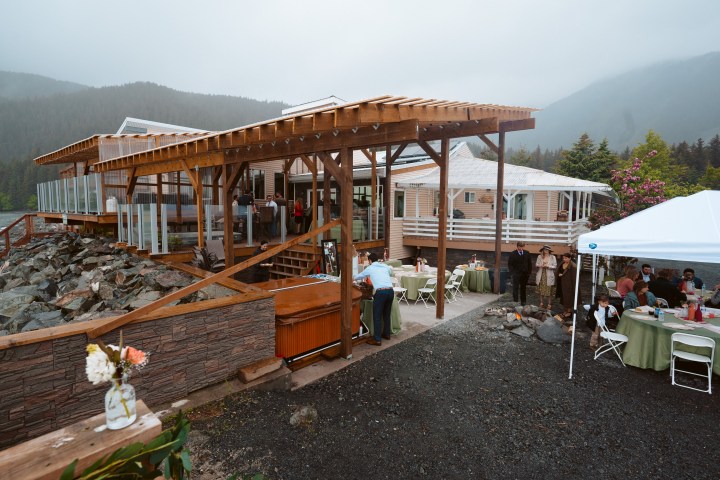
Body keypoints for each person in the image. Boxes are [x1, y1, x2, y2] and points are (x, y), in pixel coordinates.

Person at [354, 252, 394, 346]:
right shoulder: (385, 266)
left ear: (370, 260)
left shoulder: (370, 268)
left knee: (377, 316)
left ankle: (377, 339)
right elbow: (391, 272)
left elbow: (359, 276)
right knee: (386, 314)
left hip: (380, 292)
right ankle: (387, 334)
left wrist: (352, 277)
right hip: (390, 291)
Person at [535, 245, 557, 311]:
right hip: (541, 275)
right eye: (544, 250)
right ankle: (541, 303)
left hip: (549, 275)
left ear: (549, 251)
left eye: (547, 250)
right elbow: (536, 264)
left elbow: (555, 266)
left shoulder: (553, 257)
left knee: (549, 291)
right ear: (543, 250)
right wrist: (540, 265)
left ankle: (549, 304)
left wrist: (548, 266)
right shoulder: (539, 256)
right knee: (541, 290)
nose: (545, 251)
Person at [556, 253, 578, 318]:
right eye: (563, 258)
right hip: (562, 284)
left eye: (566, 258)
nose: (564, 259)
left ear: (570, 258)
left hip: (569, 285)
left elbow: (574, 277)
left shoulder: (573, 266)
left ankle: (569, 312)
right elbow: (559, 271)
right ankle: (565, 310)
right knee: (564, 298)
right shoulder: (562, 263)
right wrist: (559, 274)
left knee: (569, 298)